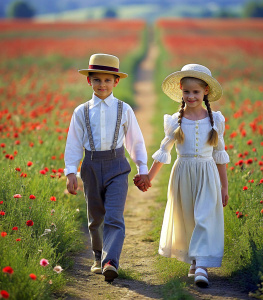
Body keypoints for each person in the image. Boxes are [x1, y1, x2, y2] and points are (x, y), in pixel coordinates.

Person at [134, 64, 229, 287]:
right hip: (183, 175)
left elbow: (220, 155)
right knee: (187, 218)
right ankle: (194, 261)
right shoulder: (175, 120)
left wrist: (224, 187)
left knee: (205, 217)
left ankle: (202, 266)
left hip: (207, 175)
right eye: (186, 92)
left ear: (205, 91)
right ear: (180, 90)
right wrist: (149, 177)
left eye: (196, 92)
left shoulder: (215, 120)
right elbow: (163, 152)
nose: (191, 96)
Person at [64, 53, 151, 283]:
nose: (102, 85)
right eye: (97, 80)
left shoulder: (125, 109)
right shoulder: (81, 111)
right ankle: (97, 256)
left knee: (114, 215)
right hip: (90, 165)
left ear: (116, 82)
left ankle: (110, 261)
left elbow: (135, 141)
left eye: (107, 80)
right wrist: (70, 171)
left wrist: (142, 167)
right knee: (95, 216)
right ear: (89, 81)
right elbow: (73, 143)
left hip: (117, 167)